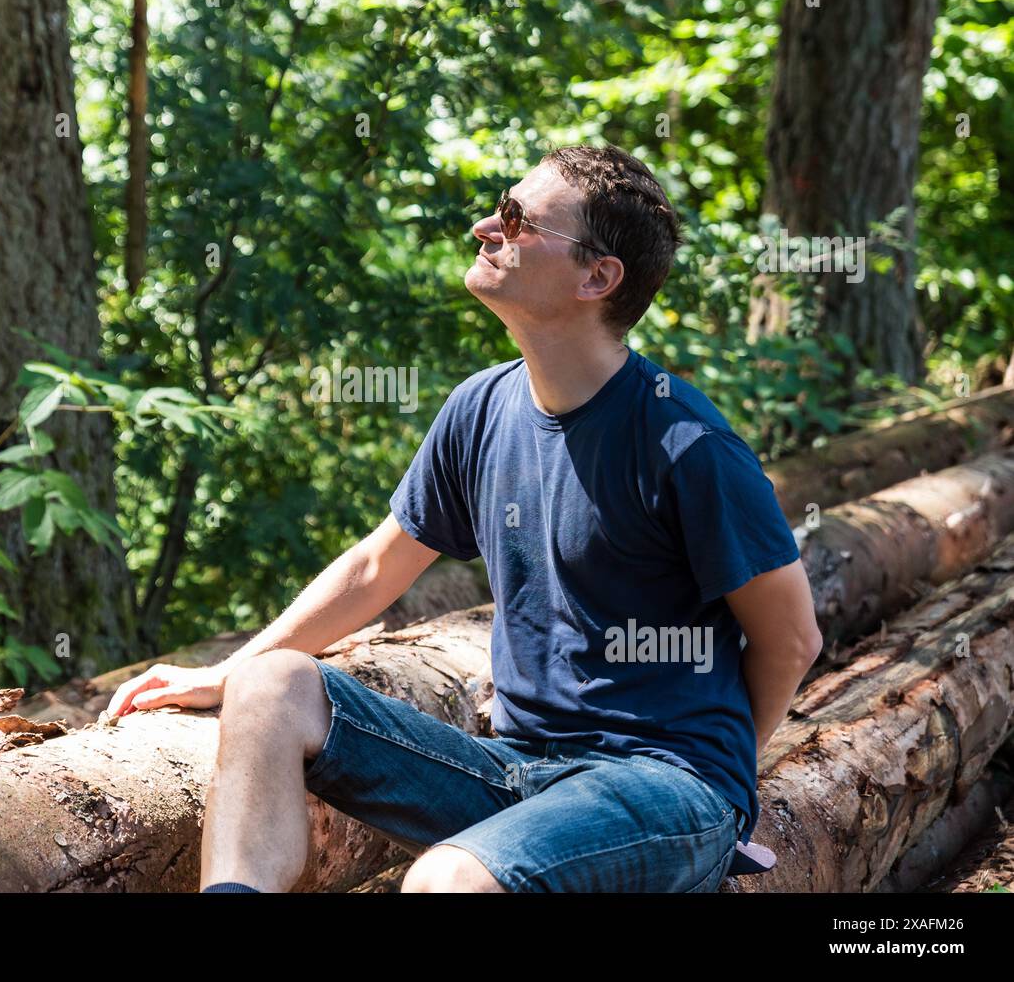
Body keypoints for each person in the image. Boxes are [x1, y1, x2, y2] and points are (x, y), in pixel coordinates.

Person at [108, 144, 822, 893]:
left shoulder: (687, 445)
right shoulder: (481, 408)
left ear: (596, 276)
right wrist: (223, 673)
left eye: (517, 219)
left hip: (665, 787)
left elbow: (793, 638)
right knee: (271, 686)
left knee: (446, 882)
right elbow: (376, 566)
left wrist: (715, 791)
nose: (487, 225)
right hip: (519, 771)